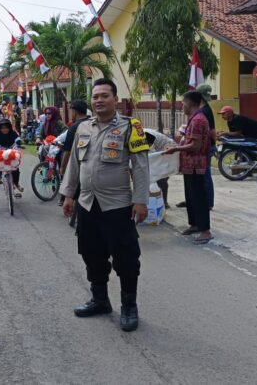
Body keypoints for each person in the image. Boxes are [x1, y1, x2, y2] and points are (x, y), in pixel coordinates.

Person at [60, 78, 150, 332]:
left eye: (104, 96)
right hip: (88, 204)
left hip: (118, 205)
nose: (99, 100)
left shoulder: (131, 127)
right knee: (91, 254)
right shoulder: (82, 127)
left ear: (115, 99)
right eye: (95, 96)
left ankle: (129, 306)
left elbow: (140, 166)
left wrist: (140, 200)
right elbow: (75, 164)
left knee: (126, 258)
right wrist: (68, 195)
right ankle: (100, 300)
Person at [164, 91, 214, 244]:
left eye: (183, 103)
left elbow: (196, 145)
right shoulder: (194, 118)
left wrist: (176, 149)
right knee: (191, 197)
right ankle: (195, 224)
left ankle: (205, 231)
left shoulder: (198, 120)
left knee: (198, 198)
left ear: (191, 103)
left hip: (196, 165)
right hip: (189, 165)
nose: (182, 106)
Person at [59, 100, 91, 220]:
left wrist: (62, 168)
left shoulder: (74, 127)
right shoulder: (92, 123)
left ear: (74, 112)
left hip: (78, 163)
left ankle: (65, 199)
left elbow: (68, 151)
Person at [0, 118, 24, 197]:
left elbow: (18, 140)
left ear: (9, 127)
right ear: (0, 128)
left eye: (6, 128)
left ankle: (16, 184)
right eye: (2, 128)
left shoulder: (14, 134)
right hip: (2, 153)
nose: (4, 129)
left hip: (13, 152)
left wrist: (21, 144)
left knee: (15, 168)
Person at [145, 128, 176, 208]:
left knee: (161, 178)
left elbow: (149, 154)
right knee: (158, 178)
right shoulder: (141, 133)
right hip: (163, 150)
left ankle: (163, 203)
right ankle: (160, 202)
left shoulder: (145, 135)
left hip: (169, 150)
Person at [197, 84, 216, 211]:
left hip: (206, 147)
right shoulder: (204, 109)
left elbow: (212, 131)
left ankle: (208, 202)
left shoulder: (205, 111)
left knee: (205, 175)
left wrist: (213, 145)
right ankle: (202, 200)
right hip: (206, 146)